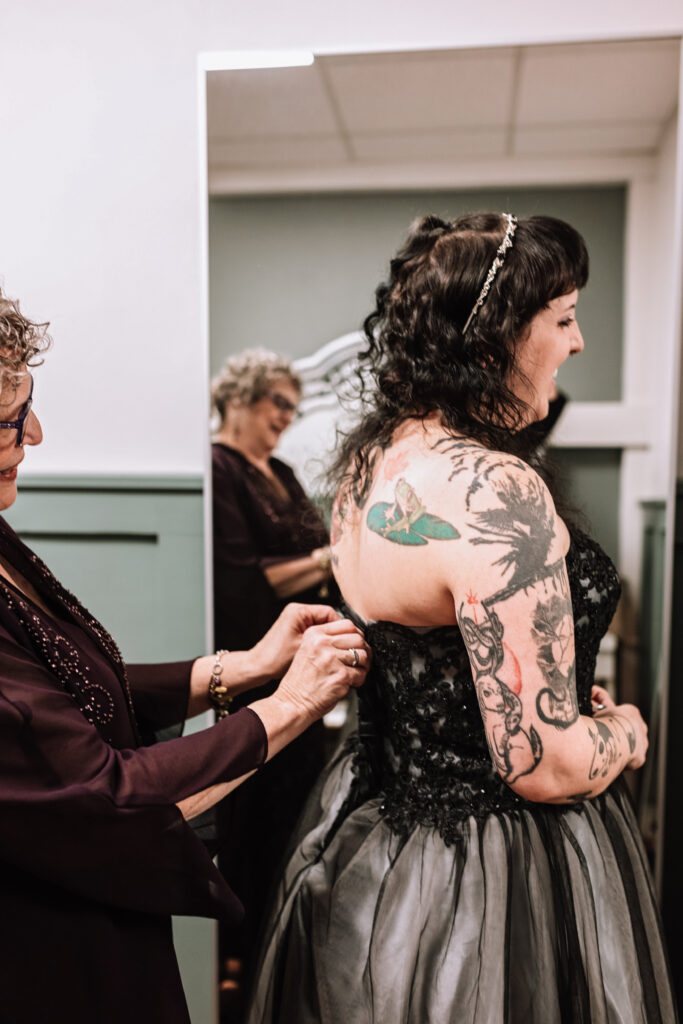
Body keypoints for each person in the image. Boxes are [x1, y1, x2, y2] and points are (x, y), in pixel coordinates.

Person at [246, 213, 677, 1023]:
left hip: (379, 836)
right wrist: (626, 731)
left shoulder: (369, 465)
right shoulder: (491, 488)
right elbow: (539, 763)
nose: (577, 343)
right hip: (498, 869)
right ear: (494, 342)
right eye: (563, 318)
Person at [0, 290, 370, 1024]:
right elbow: (102, 793)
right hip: (44, 948)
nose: (35, 433)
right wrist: (289, 704)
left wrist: (243, 666)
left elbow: (77, 687)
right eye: (12, 419)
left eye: (28, 406)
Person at [211, 349, 338, 1003]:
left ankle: (284, 960)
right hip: (253, 673)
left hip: (303, 669)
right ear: (240, 398)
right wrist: (327, 558)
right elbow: (247, 580)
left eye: (292, 406)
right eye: (277, 405)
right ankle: (246, 967)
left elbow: (315, 556)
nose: (286, 419)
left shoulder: (282, 471)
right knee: (252, 832)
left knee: (298, 819)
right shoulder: (219, 468)